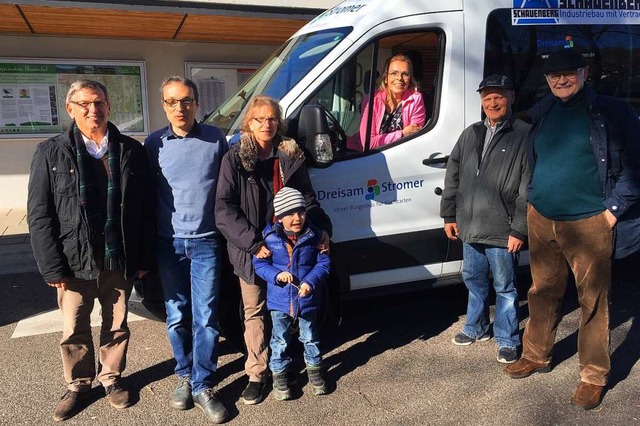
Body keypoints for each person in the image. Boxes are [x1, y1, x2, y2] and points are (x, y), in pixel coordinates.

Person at [503, 49, 640, 410]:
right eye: (553, 76)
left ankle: (593, 376)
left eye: (568, 73)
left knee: (592, 301)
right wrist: (533, 200)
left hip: (589, 220)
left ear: (583, 73)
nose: (560, 80)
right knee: (542, 290)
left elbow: (635, 168)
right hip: (543, 216)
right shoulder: (545, 109)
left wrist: (611, 212)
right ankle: (536, 355)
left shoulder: (611, 112)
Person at [27, 80, 155, 422]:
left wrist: (143, 258)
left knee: (117, 324)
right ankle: (79, 384)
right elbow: (40, 214)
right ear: (70, 109)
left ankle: (111, 379)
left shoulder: (130, 150)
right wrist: (51, 267)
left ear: (109, 107)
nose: (92, 110)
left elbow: (145, 210)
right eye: (83, 104)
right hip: (74, 259)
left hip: (119, 256)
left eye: (98, 103)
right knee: (74, 328)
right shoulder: (50, 152)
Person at [215, 94, 332, 405]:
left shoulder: (289, 156)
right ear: (248, 123)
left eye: (272, 118)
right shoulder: (235, 158)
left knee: (294, 308)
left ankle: (290, 365)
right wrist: (254, 244)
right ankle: (257, 372)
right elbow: (223, 209)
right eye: (259, 119)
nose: (267, 124)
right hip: (254, 250)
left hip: (293, 249)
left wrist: (323, 231)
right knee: (254, 311)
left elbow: (308, 200)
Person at [144, 76, 229, 424]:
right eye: (173, 101)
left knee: (206, 317)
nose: (180, 107)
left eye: (187, 100)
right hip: (169, 243)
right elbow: (145, 196)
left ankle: (202, 382)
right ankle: (183, 374)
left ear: (196, 103)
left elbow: (228, 186)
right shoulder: (153, 144)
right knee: (177, 314)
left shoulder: (215, 139)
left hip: (207, 240)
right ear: (164, 105)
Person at [440, 74, 530, 364]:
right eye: (487, 97)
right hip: (470, 225)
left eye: (498, 96)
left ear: (511, 97)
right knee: (473, 279)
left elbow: (527, 187)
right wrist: (449, 214)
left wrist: (519, 229)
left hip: (503, 230)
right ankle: (476, 327)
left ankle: (507, 338)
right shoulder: (471, 133)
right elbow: (452, 174)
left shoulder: (524, 134)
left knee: (505, 287)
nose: (492, 102)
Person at [253, 187, 331, 400]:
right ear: (279, 216)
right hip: (280, 301)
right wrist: (276, 275)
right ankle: (279, 375)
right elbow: (259, 264)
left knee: (311, 337)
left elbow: (323, 263)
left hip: (307, 299)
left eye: (301, 212)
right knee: (280, 340)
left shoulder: (314, 235)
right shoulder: (269, 238)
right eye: (290, 214)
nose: (297, 218)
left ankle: (315, 372)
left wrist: (310, 282)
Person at [348, 53, 426, 151]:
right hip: (366, 156)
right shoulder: (371, 100)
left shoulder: (416, 99)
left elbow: (414, 139)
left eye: (405, 74)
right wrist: (402, 134)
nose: (399, 78)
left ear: (410, 79)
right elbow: (369, 144)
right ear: (385, 78)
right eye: (394, 73)